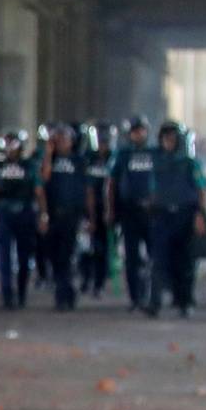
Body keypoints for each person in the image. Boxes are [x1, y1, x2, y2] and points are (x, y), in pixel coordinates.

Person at [143, 121, 206, 318]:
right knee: (159, 261)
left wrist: (201, 216)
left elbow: (201, 190)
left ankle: (185, 302)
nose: (168, 142)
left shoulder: (190, 163)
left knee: (185, 262)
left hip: (185, 215)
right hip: (162, 216)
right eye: (165, 138)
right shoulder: (157, 161)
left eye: (172, 138)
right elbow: (153, 187)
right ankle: (154, 302)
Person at [0, 128, 41, 311]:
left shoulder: (29, 166)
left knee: (24, 257)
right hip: (4, 213)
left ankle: (22, 293)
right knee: (4, 257)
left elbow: (37, 189)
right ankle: (7, 295)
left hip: (25, 213)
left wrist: (41, 213)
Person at [39, 123, 91, 311]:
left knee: (67, 255)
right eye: (57, 139)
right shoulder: (49, 160)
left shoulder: (79, 161)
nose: (61, 142)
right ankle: (63, 292)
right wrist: (48, 153)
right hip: (53, 214)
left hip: (72, 214)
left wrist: (89, 215)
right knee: (54, 256)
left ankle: (66, 295)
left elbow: (87, 189)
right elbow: (43, 179)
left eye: (64, 139)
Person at [111, 116, 157, 311]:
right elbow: (111, 183)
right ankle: (135, 297)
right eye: (135, 131)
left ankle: (151, 294)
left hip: (152, 212)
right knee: (131, 257)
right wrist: (110, 210)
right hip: (129, 211)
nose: (139, 134)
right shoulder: (122, 155)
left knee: (154, 255)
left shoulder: (156, 153)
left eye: (141, 130)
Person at [80, 122, 116, 297]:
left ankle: (98, 284)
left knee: (102, 249)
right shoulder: (86, 159)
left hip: (107, 211)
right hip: (87, 211)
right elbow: (85, 189)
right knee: (86, 249)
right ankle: (85, 279)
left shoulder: (115, 159)